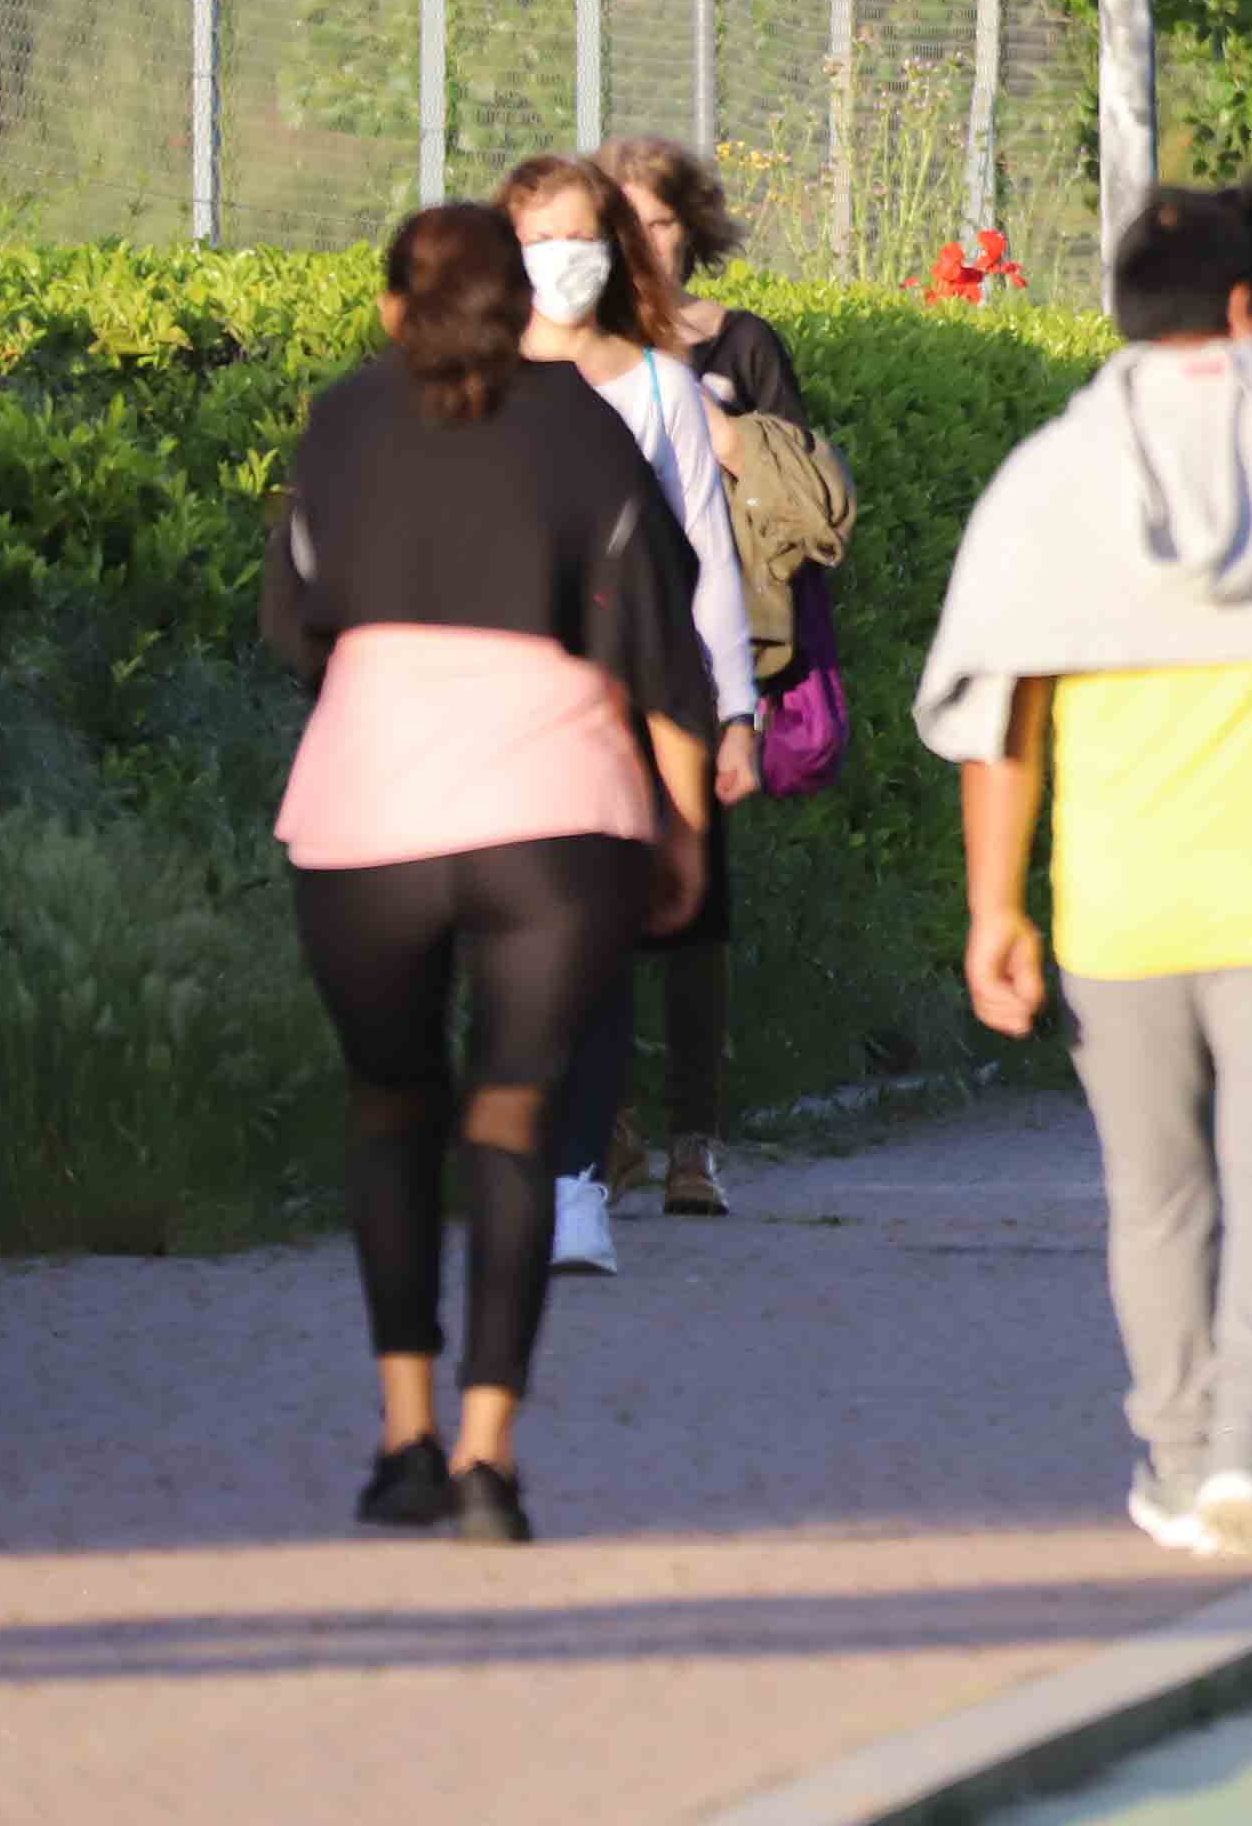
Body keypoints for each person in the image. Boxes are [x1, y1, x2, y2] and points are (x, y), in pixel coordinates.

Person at [919, 188, 1252, 1561]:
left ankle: (1174, 1454)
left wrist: (995, 907)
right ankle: (1242, 1457)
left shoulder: (1046, 480)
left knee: (1155, 1197)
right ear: (1247, 302)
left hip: (1122, 906)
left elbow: (1004, 720)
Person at [264, 205, 717, 1546]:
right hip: (556, 811)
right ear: (523, 299)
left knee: (392, 1111)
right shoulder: (583, 424)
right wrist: (681, 825)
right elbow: (665, 641)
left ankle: (401, 1436)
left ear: (397, 308)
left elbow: (295, 626)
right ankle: (488, 1461)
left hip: (370, 801)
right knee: (513, 1123)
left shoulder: (342, 421)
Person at [502, 153, 762, 1279]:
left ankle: (576, 1180)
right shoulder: (472, 381)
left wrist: (731, 711)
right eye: (539, 237)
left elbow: (706, 562)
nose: (566, 258)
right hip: (495, 702)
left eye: (584, 235)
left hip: (623, 700)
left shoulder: (660, 387)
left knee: (601, 936)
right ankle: (525, 1146)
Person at [595, 134, 830, 1219]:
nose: (642, 240)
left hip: (693, 653)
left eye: (659, 219)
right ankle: (608, 1123)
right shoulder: (572, 347)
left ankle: (696, 1137)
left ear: (693, 228)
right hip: (589, 660)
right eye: (622, 220)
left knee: (696, 908)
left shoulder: (739, 343)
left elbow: (808, 497)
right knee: (585, 895)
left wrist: (717, 427)